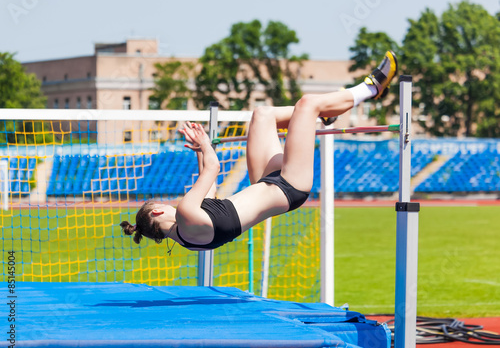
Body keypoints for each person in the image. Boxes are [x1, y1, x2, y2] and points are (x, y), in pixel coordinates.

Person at [120, 51, 398, 251]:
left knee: (263, 115)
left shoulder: (187, 236)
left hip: (267, 181)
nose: (167, 203)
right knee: (307, 103)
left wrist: (200, 149)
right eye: (162, 204)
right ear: (156, 212)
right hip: (289, 186)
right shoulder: (185, 213)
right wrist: (204, 145)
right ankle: (370, 89)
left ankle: (324, 117)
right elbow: (213, 170)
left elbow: (211, 189)